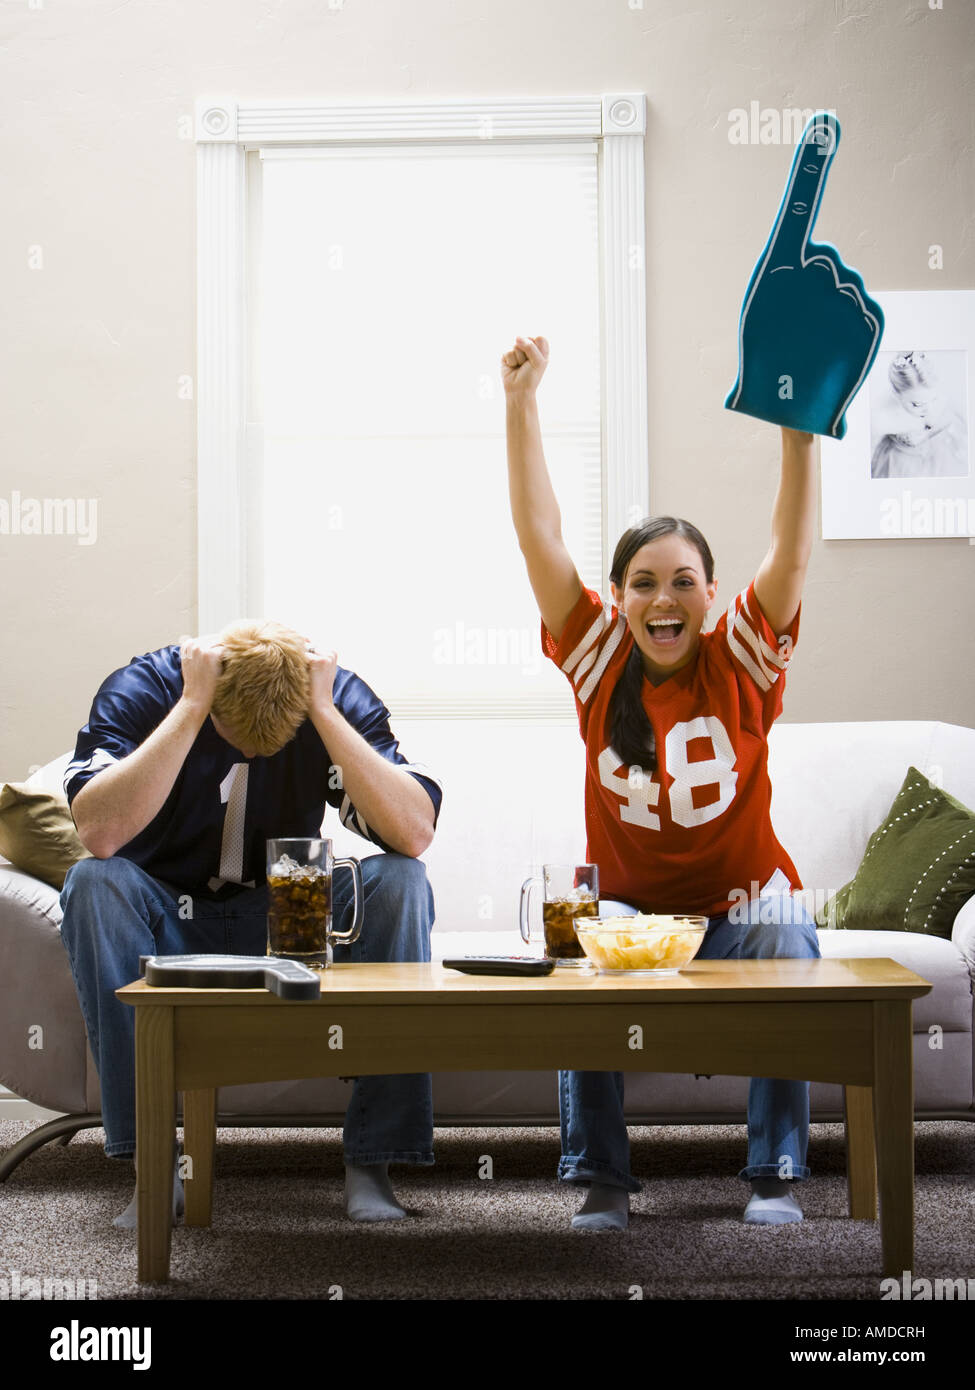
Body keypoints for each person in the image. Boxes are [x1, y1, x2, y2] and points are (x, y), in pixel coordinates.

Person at [502, 333, 821, 1232]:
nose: (663, 597)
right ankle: (602, 1177)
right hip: (635, 920)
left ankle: (772, 1175)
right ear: (616, 598)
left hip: (742, 907)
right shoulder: (599, 660)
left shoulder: (743, 665)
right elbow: (539, 536)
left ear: (711, 597)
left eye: (683, 581)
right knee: (575, 950)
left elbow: (789, 557)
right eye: (642, 583)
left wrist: (798, 435)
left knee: (789, 923)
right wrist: (521, 403)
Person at [59, 620, 442, 1227]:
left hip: (290, 918)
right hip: (170, 920)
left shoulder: (335, 695)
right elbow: (99, 833)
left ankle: (373, 1161)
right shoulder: (147, 688)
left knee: (400, 881)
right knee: (93, 883)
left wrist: (322, 713)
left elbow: (413, 834)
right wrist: (191, 706)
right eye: (237, 739)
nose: (254, 757)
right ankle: (154, 1164)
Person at [870, 350, 966, 479]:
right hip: (900, 463)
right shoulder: (885, 413)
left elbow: (952, 416)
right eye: (917, 404)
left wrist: (928, 434)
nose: (927, 409)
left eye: (933, 399)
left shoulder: (943, 399)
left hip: (937, 456)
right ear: (896, 394)